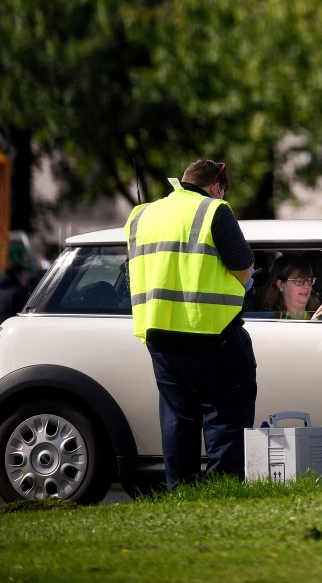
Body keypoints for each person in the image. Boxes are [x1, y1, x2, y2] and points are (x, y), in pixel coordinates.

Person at [125, 159, 257, 489]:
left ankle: (180, 489)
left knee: (177, 416)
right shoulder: (214, 210)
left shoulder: (142, 215)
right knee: (225, 412)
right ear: (217, 185)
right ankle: (221, 489)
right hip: (211, 330)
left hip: (158, 330)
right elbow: (243, 268)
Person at [264, 254, 322, 319]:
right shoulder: (268, 321)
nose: (307, 286)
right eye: (299, 281)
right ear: (281, 285)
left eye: (309, 280)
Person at [0, 263, 30, 332]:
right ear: (17, 274)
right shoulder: (18, 291)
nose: (27, 277)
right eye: (24, 274)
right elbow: (23, 313)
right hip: (9, 330)